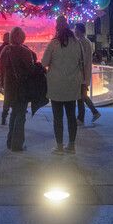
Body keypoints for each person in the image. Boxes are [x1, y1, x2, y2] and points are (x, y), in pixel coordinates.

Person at [42, 16, 87, 154]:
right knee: (71, 116)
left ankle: (59, 146)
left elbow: (44, 63)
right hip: (72, 85)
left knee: (58, 118)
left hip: (56, 86)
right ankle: (72, 146)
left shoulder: (53, 44)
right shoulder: (77, 43)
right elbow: (82, 63)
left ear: (57, 27)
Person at [0, 26, 37, 152]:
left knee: (13, 114)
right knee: (20, 115)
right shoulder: (25, 51)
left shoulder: (5, 50)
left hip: (9, 88)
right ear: (22, 37)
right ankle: (17, 145)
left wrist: (2, 85)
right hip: (22, 88)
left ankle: (10, 142)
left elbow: (1, 69)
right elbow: (31, 70)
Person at [74, 23, 101, 124]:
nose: (74, 31)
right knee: (82, 96)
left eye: (75, 29)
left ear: (80, 30)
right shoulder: (86, 41)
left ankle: (81, 118)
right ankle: (94, 113)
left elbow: (83, 59)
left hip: (82, 74)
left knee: (81, 96)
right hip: (84, 73)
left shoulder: (82, 42)